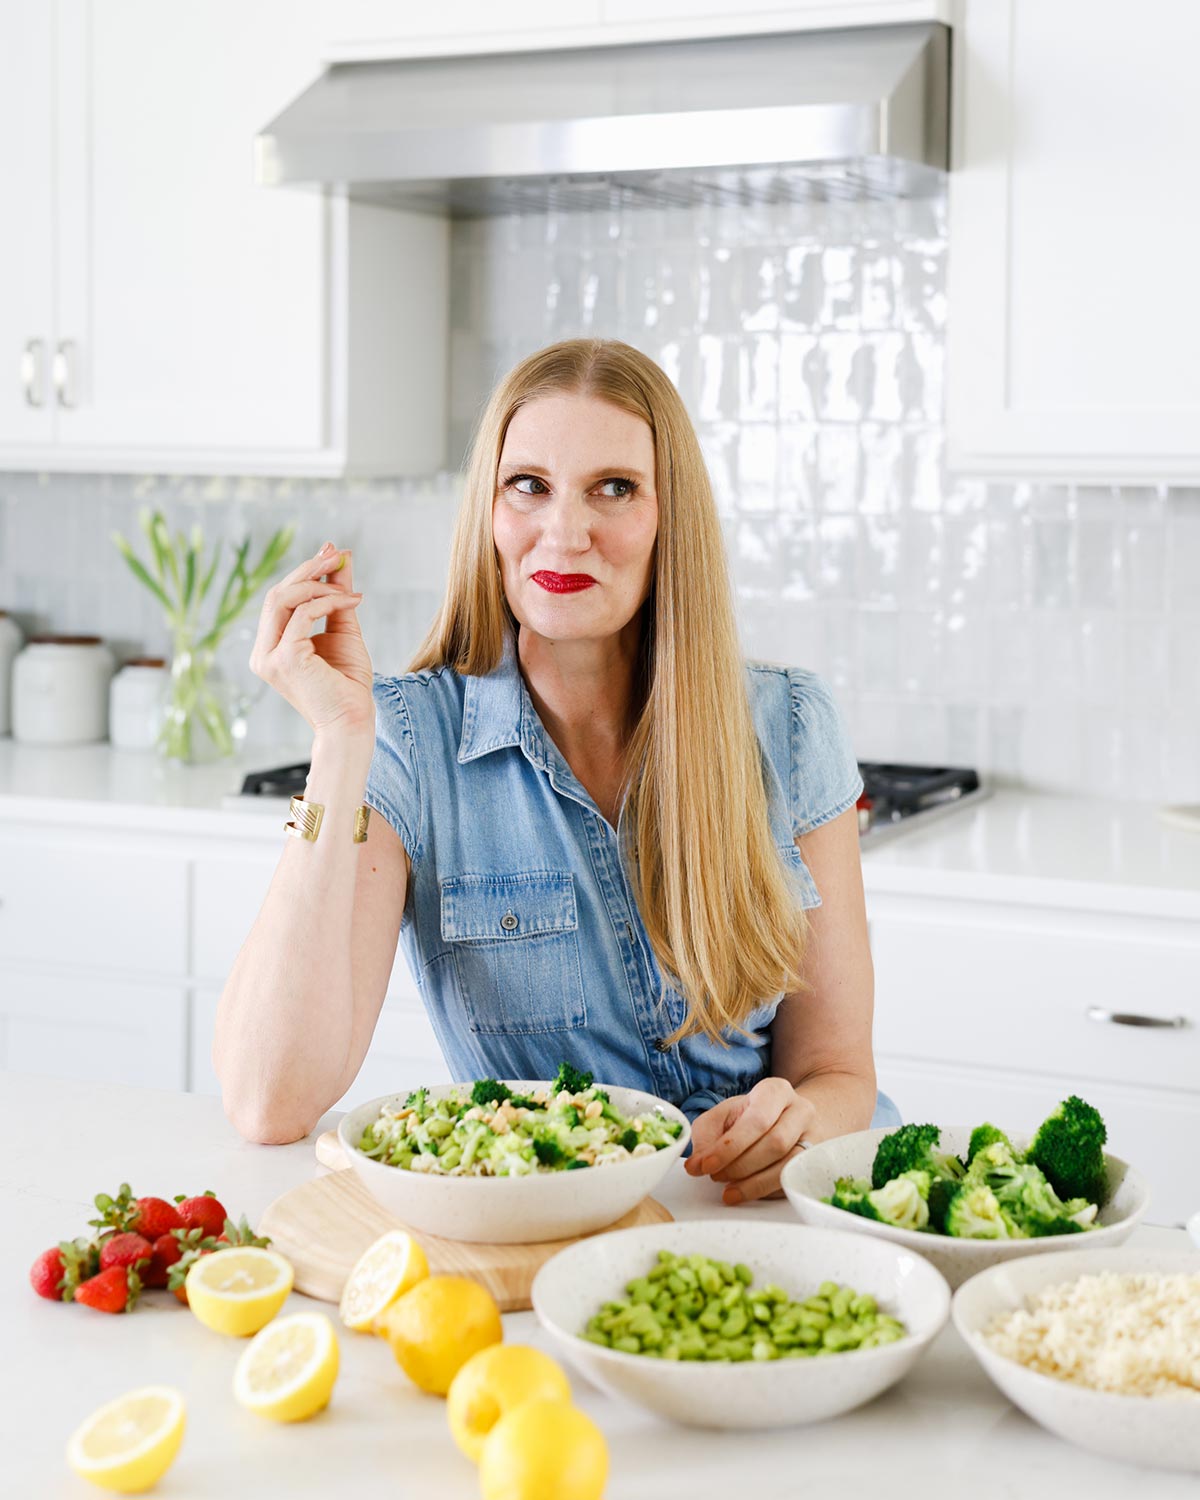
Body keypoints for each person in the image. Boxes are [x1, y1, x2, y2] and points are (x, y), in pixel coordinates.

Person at [214, 337, 899, 1205]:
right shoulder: (410, 739)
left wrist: (797, 1125)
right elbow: (268, 1101)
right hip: (544, 1229)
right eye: (528, 486)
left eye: (614, 488)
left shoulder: (789, 724)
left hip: (759, 1216)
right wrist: (341, 740)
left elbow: (839, 1072)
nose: (564, 533)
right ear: (489, 513)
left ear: (667, 516)